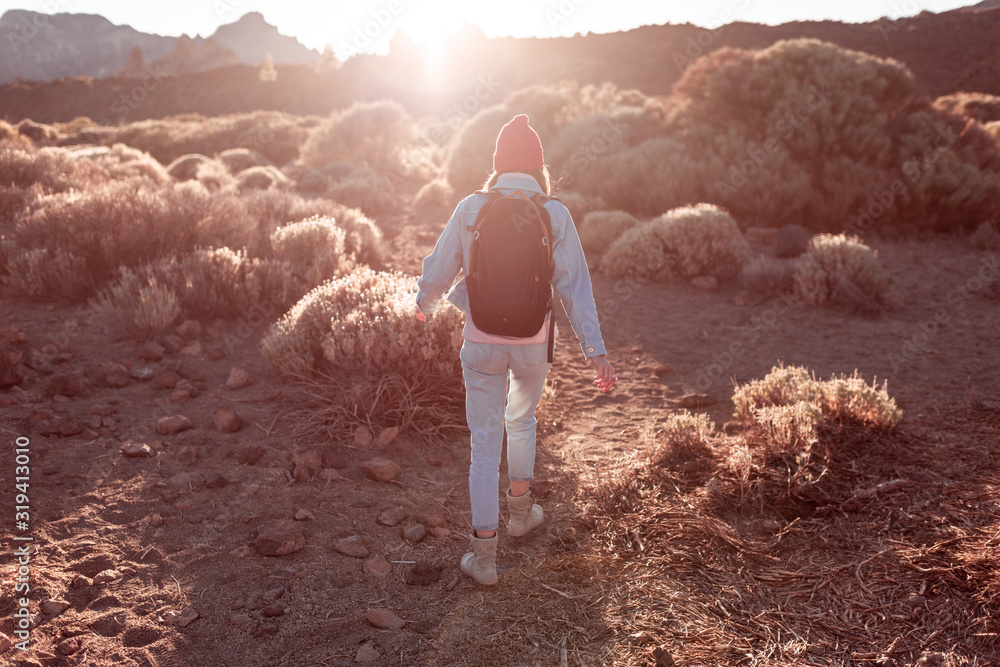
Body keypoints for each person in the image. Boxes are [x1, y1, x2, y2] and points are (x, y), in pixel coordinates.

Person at [415, 114, 616, 586]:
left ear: (497, 164)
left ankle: (484, 559)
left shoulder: (471, 207)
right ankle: (522, 515)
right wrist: (596, 352)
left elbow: (440, 267)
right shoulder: (555, 212)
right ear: (539, 167)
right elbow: (577, 291)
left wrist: (423, 302)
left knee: (484, 445)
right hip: (532, 347)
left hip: (481, 345)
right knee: (521, 421)